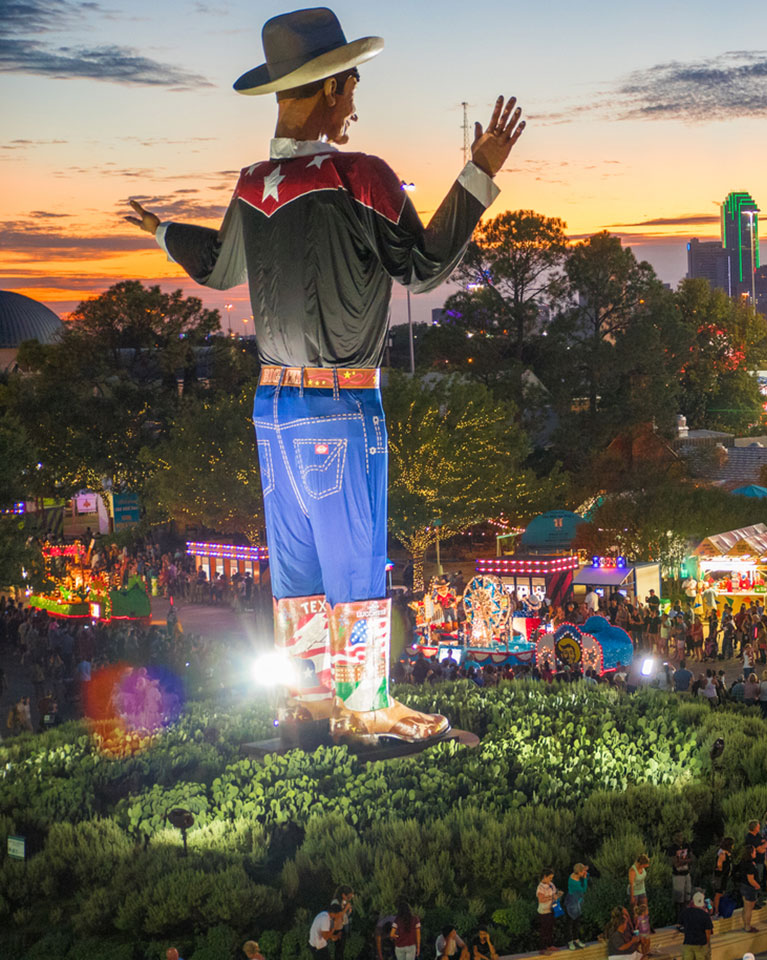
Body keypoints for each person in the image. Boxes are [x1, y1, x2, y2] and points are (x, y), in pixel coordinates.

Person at [129, 7, 522, 743]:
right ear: (330, 89)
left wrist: (160, 231)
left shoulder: (253, 185)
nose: (355, 103)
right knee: (354, 564)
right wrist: (479, 175)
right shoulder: (358, 176)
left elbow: (216, 268)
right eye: (351, 87)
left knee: (299, 561)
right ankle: (367, 707)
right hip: (340, 407)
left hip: (271, 409)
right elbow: (426, 265)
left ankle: (308, 698)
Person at [681, 892, 715, 960]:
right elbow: (707, 932)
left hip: (688, 943)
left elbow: (681, 924)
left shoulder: (686, 911)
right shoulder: (705, 914)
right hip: (701, 944)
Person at [537, 868, 560, 949]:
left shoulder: (551, 884)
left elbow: (554, 893)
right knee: (544, 930)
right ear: (544, 876)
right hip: (543, 912)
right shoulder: (540, 887)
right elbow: (541, 900)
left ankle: (550, 945)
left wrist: (557, 895)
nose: (551, 879)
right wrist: (551, 897)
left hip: (551, 909)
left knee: (550, 929)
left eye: (552, 878)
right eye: (550, 878)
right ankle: (543, 948)